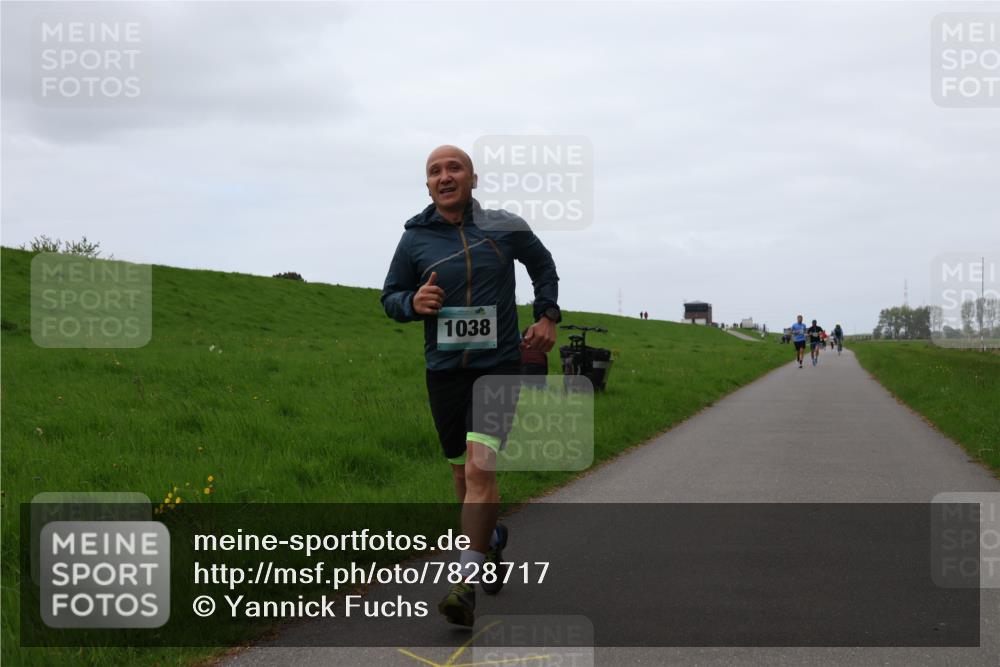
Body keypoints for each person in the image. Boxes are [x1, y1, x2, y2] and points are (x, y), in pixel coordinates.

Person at [381, 145, 560, 627]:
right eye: (435, 171)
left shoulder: (504, 226)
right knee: (462, 477)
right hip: (443, 370)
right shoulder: (414, 240)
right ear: (427, 186)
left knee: (482, 467)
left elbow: (543, 266)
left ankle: (463, 584)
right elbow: (389, 296)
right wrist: (412, 301)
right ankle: (490, 541)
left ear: (472, 179)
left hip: (499, 365)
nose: (444, 176)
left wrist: (546, 314)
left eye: (453, 167)